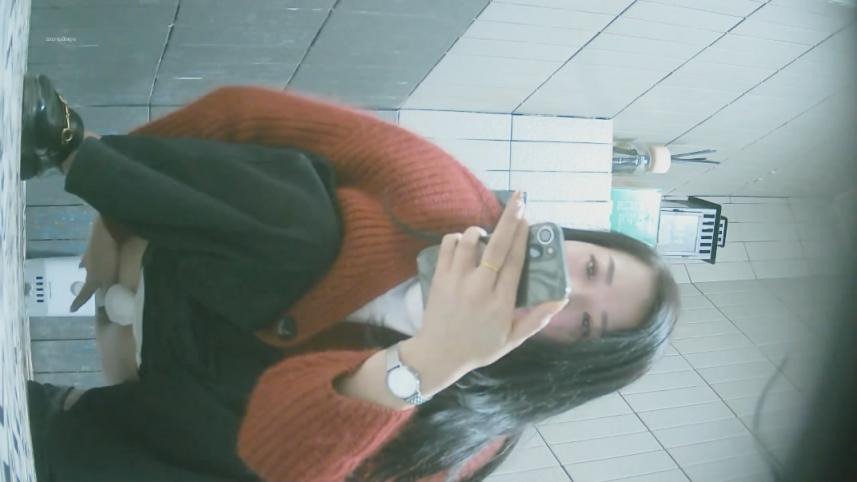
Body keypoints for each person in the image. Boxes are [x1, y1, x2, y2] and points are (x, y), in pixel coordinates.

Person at [21, 74, 680, 482]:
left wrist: (430, 364)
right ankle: (59, 139)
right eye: (589, 267)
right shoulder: (443, 197)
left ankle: (54, 443)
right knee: (311, 228)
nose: (565, 292)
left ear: (566, 365)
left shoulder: (468, 438)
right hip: (180, 264)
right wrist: (107, 190)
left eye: (583, 322)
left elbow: (279, 456)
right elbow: (248, 115)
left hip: (176, 416)